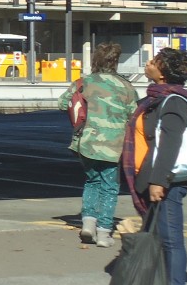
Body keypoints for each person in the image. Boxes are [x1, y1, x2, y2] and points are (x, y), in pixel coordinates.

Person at [131, 47, 187, 285]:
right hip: (156, 179)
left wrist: (159, 182)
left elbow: (170, 144)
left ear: (163, 71)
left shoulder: (174, 102)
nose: (148, 64)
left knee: (171, 241)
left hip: (166, 181)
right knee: (161, 239)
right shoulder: (159, 98)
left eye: (154, 61)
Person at [56, 42, 136, 247]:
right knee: (110, 187)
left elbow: (63, 103)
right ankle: (104, 232)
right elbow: (134, 115)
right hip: (114, 145)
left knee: (92, 182)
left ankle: (88, 224)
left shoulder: (84, 82)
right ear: (115, 62)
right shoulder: (126, 87)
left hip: (87, 142)